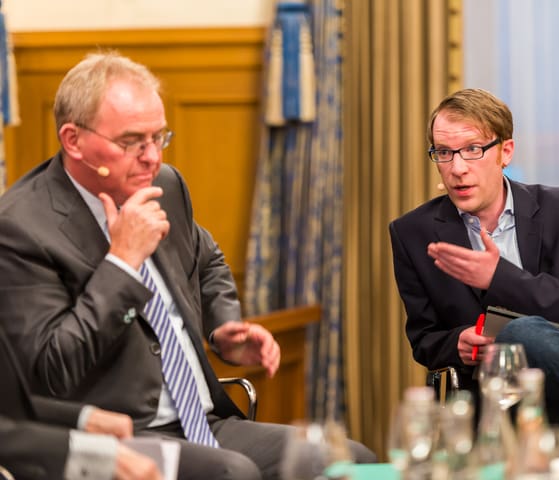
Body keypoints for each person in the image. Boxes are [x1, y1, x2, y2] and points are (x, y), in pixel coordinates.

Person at [0, 51, 375, 479]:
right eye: (131, 141)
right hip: (119, 437)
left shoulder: (164, 185)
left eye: (159, 137)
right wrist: (122, 264)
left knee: (349, 457)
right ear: (73, 140)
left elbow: (207, 259)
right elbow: (51, 370)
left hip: (203, 418)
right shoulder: (21, 228)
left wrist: (223, 326)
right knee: (233, 473)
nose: (151, 157)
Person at [389, 88, 559, 423]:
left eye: (472, 150)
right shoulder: (413, 232)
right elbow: (424, 338)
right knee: (511, 341)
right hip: (497, 399)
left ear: (506, 152)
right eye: (444, 152)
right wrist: (457, 343)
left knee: (519, 335)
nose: (457, 168)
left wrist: (499, 278)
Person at [0, 324, 163, 480]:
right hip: (29, 456)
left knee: (185, 463)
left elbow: (10, 403)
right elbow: (52, 370)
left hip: (33, 443)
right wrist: (81, 453)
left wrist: (84, 417)